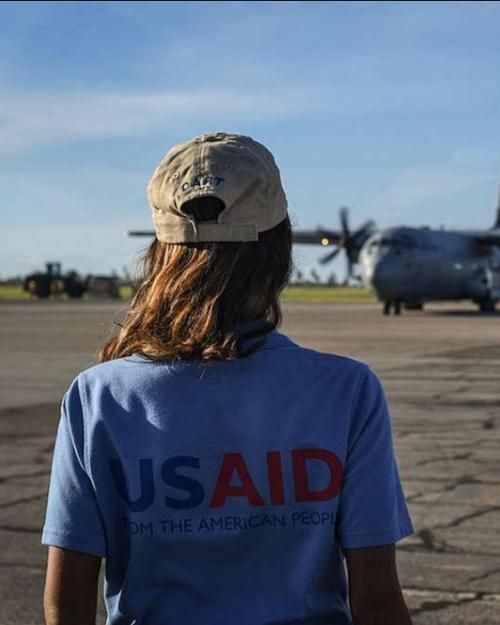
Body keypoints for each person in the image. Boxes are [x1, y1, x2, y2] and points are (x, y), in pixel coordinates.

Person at [41, 132, 414, 625]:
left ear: (160, 254)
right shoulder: (347, 391)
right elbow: (377, 601)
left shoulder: (98, 398)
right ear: (280, 248)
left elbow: (65, 604)